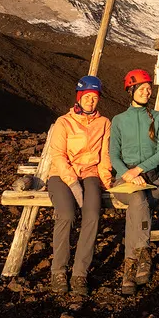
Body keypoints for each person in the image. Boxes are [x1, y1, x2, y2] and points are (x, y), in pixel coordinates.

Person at [47, 75, 114, 297]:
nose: (91, 101)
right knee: (66, 215)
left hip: (91, 173)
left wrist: (105, 180)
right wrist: (72, 182)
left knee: (92, 215)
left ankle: (79, 273)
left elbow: (105, 154)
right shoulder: (63, 122)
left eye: (94, 98)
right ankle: (58, 270)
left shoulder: (104, 123)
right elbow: (57, 154)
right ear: (79, 97)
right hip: (61, 175)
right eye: (87, 97)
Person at [109, 68, 159, 296]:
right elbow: (114, 154)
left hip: (155, 181)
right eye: (142, 88)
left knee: (138, 201)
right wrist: (127, 173)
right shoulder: (119, 121)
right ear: (131, 90)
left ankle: (129, 270)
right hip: (125, 182)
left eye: (148, 88)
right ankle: (144, 252)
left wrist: (140, 170)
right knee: (136, 197)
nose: (146, 92)